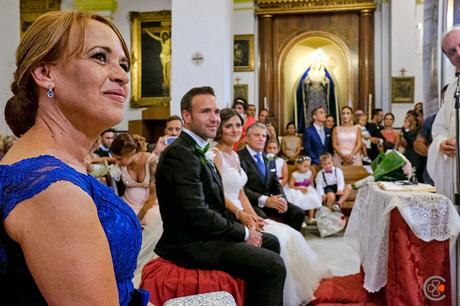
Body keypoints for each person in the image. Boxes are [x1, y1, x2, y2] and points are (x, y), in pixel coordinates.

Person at [0, 10, 150, 305]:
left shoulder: (60, 165)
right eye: (99, 57)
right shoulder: (51, 190)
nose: (121, 75)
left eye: (123, 63)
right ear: (45, 73)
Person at [154, 87, 286, 306]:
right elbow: (197, 214)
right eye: (206, 112)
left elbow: (216, 201)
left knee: (270, 242)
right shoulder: (180, 154)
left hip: (205, 234)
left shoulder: (199, 149)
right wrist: (243, 233)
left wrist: (245, 221)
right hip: (190, 243)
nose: (214, 118)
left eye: (216, 111)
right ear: (186, 116)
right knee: (273, 265)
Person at [212, 108, 331, 306]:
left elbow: (240, 192)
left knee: (290, 232)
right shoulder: (215, 154)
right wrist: (244, 216)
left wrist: (255, 217)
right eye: (228, 126)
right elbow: (219, 193)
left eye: (237, 125)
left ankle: (292, 287)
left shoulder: (234, 156)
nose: (234, 130)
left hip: (246, 207)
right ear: (219, 129)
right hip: (229, 212)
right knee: (279, 238)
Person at [111, 133, 162, 287]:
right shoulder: (123, 165)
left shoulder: (152, 161)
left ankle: (138, 270)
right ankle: (116, 267)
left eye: (119, 159)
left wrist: (139, 216)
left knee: (154, 222)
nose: (117, 162)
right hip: (128, 204)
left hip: (151, 206)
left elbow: (153, 195)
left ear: (130, 153)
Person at [239, 123, 305, 231]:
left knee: (298, 213)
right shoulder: (239, 157)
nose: (261, 139)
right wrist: (265, 200)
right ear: (247, 138)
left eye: (264, 136)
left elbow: (276, 184)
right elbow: (241, 189)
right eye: (257, 135)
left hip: (269, 201)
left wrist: (282, 200)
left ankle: (289, 243)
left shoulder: (269, 158)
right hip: (250, 203)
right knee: (265, 221)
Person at [427, 27, 460, 201]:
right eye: (453, 52)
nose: (459, 54)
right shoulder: (452, 89)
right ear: (449, 59)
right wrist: (442, 144)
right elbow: (439, 129)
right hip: (456, 175)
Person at [286, 156, 322, 223]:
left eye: (308, 166)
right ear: (299, 165)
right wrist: (300, 188)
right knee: (299, 200)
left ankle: (311, 217)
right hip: (296, 190)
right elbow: (291, 186)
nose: (307, 168)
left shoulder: (309, 172)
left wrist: (311, 189)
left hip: (307, 189)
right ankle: (301, 220)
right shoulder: (294, 174)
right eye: (305, 166)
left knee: (312, 198)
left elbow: (311, 183)